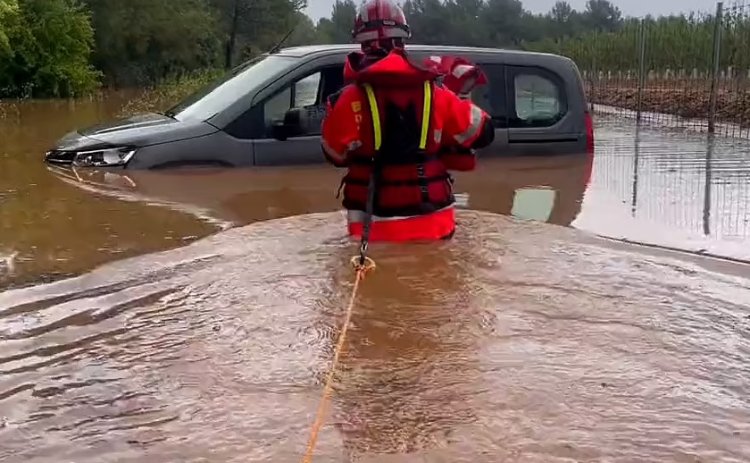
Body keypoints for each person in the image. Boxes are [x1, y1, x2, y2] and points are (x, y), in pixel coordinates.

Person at [320, 0, 494, 243]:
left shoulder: (346, 100)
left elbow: (334, 154)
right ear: (403, 40)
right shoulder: (437, 93)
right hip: (434, 223)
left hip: (373, 229)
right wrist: (461, 99)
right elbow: (484, 133)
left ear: (361, 43)